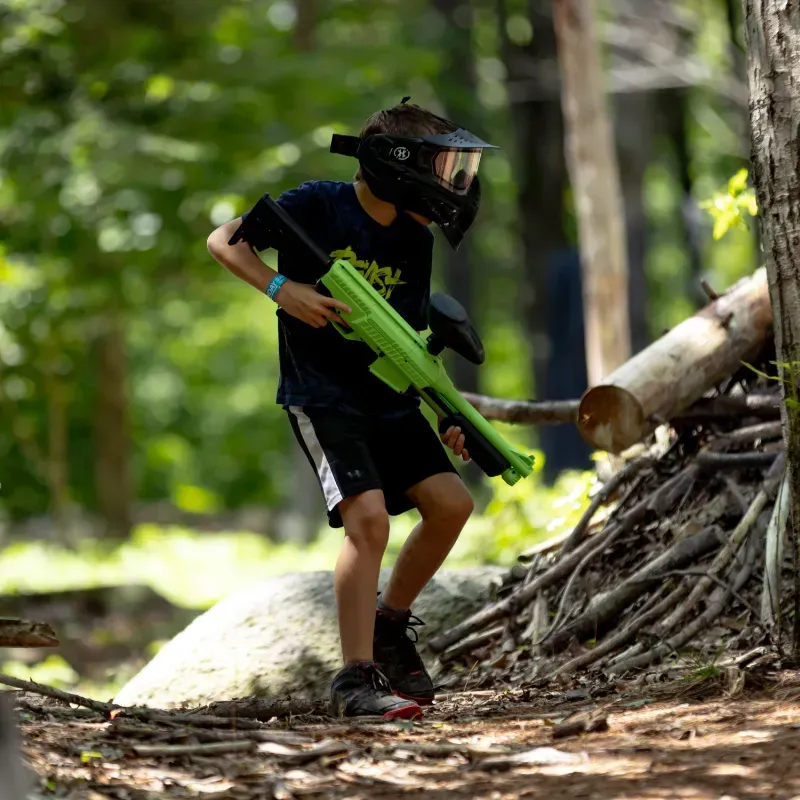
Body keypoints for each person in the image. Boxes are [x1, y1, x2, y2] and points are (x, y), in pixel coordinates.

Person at [207, 99, 497, 720]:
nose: (455, 184)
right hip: (324, 397)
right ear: (398, 165)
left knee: (452, 505)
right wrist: (285, 291)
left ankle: (390, 629)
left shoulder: (414, 239)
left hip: (389, 398)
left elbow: (412, 335)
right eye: (444, 167)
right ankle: (355, 679)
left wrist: (447, 414)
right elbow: (222, 241)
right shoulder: (317, 204)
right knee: (369, 522)